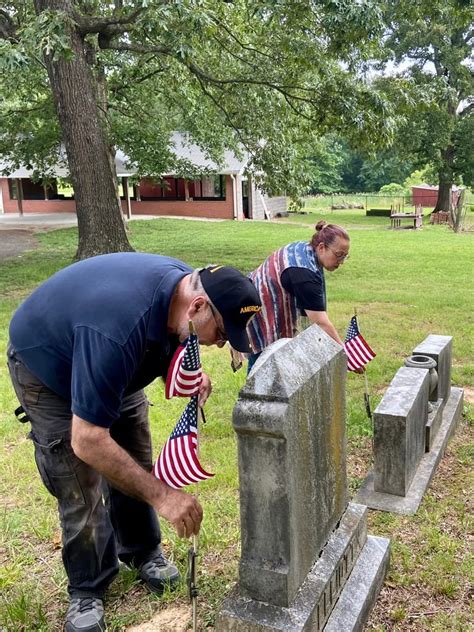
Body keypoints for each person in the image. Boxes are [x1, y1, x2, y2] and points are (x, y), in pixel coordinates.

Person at [7, 253, 261, 632]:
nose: (219, 344)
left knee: (135, 461)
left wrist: (190, 370)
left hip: (113, 362)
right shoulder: (117, 328)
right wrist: (166, 497)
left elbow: (174, 332)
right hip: (49, 371)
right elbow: (88, 440)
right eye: (222, 334)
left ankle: (142, 552)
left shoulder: (182, 291)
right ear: (198, 306)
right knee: (80, 484)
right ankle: (88, 588)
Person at [246, 220, 362, 372]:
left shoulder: (308, 250)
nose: (341, 262)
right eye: (339, 255)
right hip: (261, 315)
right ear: (321, 247)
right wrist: (346, 356)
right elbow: (320, 323)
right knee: (262, 368)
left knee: (271, 366)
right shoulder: (304, 273)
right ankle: (252, 396)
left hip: (260, 302)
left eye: (345, 257)